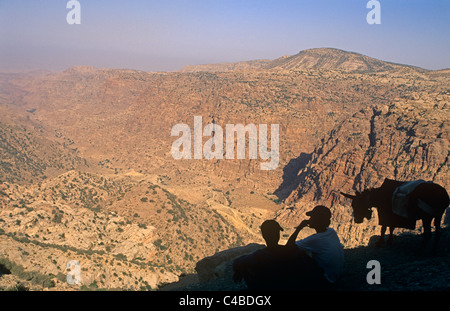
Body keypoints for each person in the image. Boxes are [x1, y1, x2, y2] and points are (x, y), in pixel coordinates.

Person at [233, 219, 317, 290]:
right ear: (278, 235)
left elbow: (237, 262)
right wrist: (298, 229)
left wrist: (238, 271)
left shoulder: (259, 256)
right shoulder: (291, 252)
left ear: (263, 235)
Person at [287, 205, 344, 287]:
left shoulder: (315, 239)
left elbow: (289, 246)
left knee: (297, 253)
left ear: (317, 220)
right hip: (336, 276)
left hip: (327, 280)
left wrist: (299, 228)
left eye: (312, 218)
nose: (309, 219)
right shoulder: (332, 232)